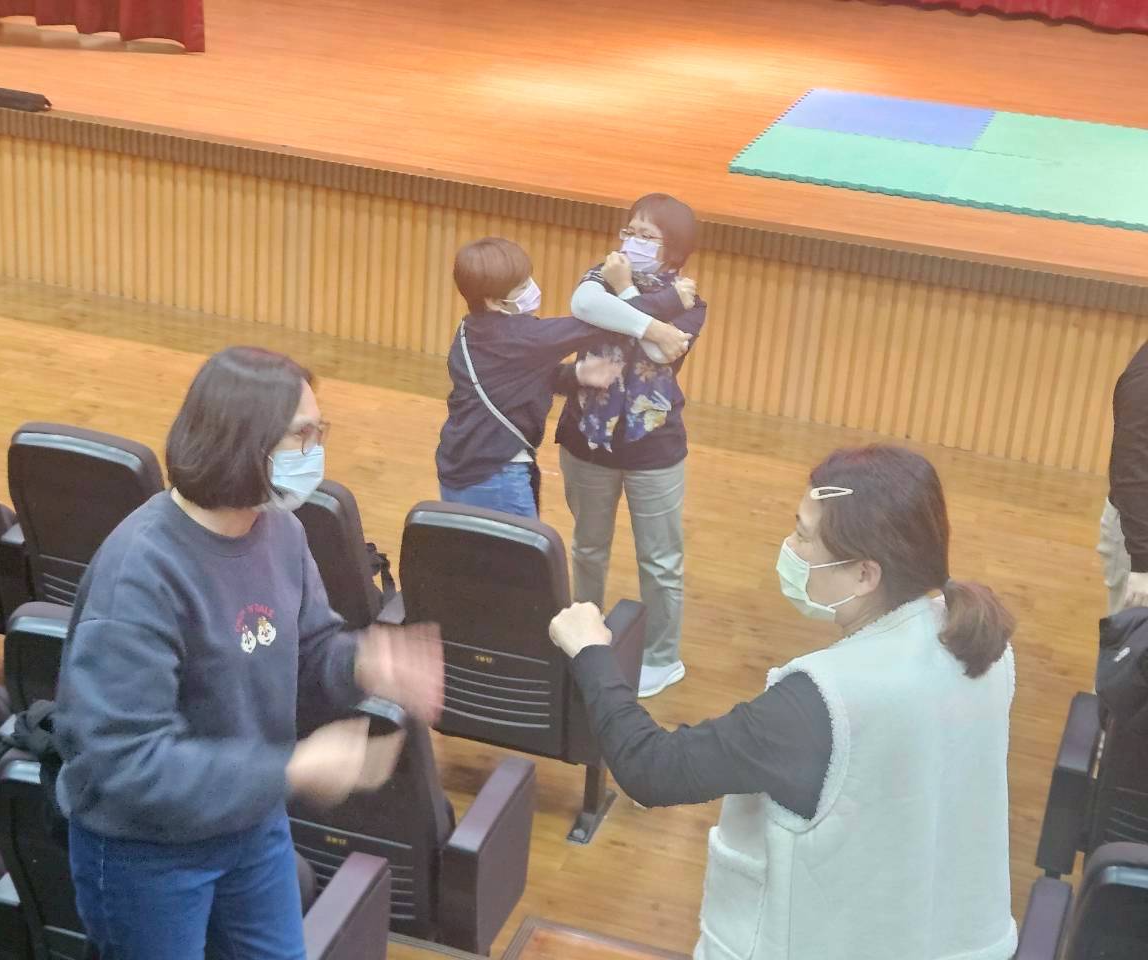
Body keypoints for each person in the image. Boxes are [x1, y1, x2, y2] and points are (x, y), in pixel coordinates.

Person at [549, 445, 1018, 960]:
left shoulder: (819, 702)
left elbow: (651, 768)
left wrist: (593, 653)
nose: (790, 548)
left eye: (804, 536)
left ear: (865, 575)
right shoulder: (980, 645)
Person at [54, 346, 445, 960]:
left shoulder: (281, 530)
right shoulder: (140, 574)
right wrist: (293, 769)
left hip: (250, 823)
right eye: (302, 435)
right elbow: (127, 762)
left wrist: (361, 661)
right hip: (147, 853)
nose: (316, 449)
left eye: (319, 431)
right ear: (244, 441)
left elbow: (309, 648)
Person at [554, 193, 706, 697]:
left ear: (673, 249)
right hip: (586, 441)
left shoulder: (690, 301)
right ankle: (584, 638)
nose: (633, 242)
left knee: (660, 562)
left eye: (647, 236)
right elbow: (583, 305)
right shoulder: (599, 278)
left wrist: (625, 294)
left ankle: (662, 657)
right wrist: (647, 315)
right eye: (630, 231)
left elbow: (659, 352)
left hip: (653, 448)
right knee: (588, 548)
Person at [436, 236, 692, 518]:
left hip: (459, 465)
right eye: (521, 287)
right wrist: (669, 300)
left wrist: (576, 374)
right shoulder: (523, 336)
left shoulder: (470, 330)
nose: (532, 288)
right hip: (495, 476)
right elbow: (600, 325)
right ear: (495, 302)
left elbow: (511, 382)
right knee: (516, 548)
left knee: (470, 544)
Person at [1100, 340, 1148, 614]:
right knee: (1136, 639)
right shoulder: (1145, 377)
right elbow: (1131, 467)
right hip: (1139, 539)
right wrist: (1143, 563)